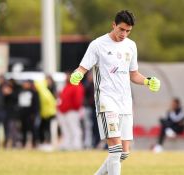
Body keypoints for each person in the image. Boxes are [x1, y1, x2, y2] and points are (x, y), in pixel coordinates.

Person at [69, 10, 160, 175]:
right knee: (115, 150)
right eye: (121, 29)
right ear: (113, 25)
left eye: (128, 31)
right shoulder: (98, 45)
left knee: (124, 153)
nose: (124, 34)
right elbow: (82, 68)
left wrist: (147, 81)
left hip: (125, 103)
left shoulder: (131, 46)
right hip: (106, 101)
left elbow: (134, 74)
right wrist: (77, 75)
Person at [57, 72, 84, 151]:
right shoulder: (66, 86)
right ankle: (67, 144)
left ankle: (77, 145)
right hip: (64, 111)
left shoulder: (77, 86)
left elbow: (78, 101)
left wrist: (74, 108)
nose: (67, 78)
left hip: (72, 111)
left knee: (74, 128)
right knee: (66, 129)